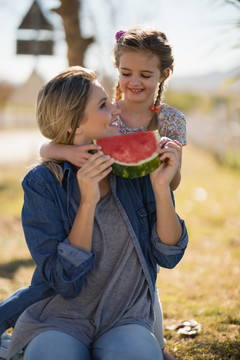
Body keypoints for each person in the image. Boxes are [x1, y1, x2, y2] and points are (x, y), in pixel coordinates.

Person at [4, 66, 188, 360]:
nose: (116, 108)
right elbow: (64, 281)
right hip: (58, 319)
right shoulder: (43, 183)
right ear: (75, 124)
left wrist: (162, 187)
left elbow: (169, 255)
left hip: (125, 316)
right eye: (103, 105)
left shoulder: (133, 170)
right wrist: (87, 202)